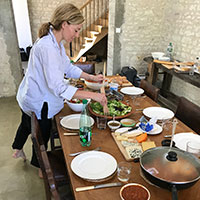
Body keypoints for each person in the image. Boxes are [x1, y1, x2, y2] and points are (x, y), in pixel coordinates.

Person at [12, 3, 107, 172]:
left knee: (26, 123)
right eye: (76, 30)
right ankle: (41, 168)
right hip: (39, 100)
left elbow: (68, 67)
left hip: (30, 94)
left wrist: (91, 77)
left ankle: (17, 149)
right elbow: (57, 87)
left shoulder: (55, 43)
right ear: (64, 24)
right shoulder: (48, 47)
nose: (77, 35)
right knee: (42, 135)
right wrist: (93, 96)